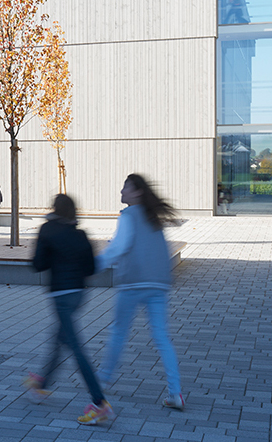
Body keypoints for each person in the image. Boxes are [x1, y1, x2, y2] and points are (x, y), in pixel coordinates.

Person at [95, 173, 184, 411]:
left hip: (133, 284)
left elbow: (118, 248)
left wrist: (94, 265)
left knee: (118, 333)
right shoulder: (152, 217)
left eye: (126, 188)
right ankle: (175, 393)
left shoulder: (129, 216)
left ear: (138, 192)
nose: (121, 192)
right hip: (159, 284)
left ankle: (101, 380)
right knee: (162, 338)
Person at [24, 194, 112, 426]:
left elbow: (37, 264)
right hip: (79, 294)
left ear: (54, 208)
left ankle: (99, 402)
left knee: (75, 346)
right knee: (60, 338)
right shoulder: (81, 234)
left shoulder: (47, 229)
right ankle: (41, 385)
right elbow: (91, 268)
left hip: (60, 295)